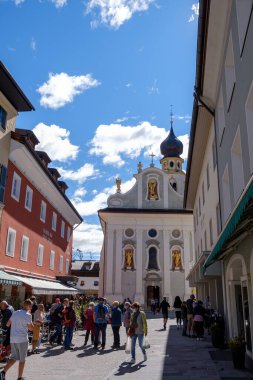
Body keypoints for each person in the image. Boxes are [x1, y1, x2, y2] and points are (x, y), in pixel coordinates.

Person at [0, 299, 34, 380]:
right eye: (31, 306)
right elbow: (31, 328)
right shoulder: (28, 315)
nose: (31, 307)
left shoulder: (15, 312)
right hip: (22, 339)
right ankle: (19, 377)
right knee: (22, 360)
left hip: (13, 339)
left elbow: (8, 324)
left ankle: (3, 372)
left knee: (14, 357)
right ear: (28, 306)